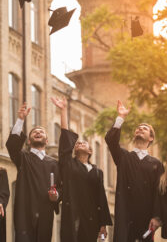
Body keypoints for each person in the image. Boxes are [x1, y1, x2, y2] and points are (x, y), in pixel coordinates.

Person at [51, 97, 112, 242]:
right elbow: (65, 139)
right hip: (73, 215)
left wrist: (102, 224)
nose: (79, 144)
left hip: (91, 218)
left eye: (84, 143)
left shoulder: (97, 171)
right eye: (77, 143)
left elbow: (101, 198)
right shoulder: (69, 164)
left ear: (90, 151)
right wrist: (63, 110)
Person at [105, 100, 164, 242]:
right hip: (125, 215)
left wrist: (157, 217)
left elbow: (159, 192)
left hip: (146, 217)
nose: (140, 129)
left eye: (144, 128)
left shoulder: (156, 164)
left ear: (151, 138)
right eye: (138, 128)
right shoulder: (124, 157)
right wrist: (121, 117)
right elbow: (111, 140)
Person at [5, 102, 61, 242]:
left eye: (41, 132)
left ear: (47, 141)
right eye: (34, 132)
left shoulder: (54, 164)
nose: (37, 132)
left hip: (45, 212)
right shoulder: (23, 157)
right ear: (29, 141)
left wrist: (57, 196)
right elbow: (12, 145)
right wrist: (20, 119)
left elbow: (61, 187)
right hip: (25, 211)